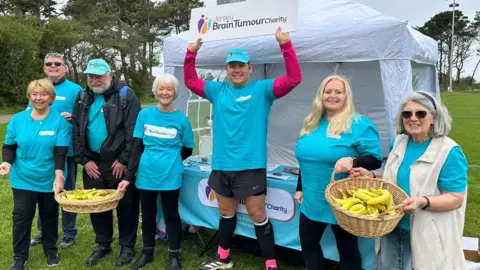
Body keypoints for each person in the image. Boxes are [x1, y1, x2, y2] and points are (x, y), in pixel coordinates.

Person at [185, 27, 302, 270]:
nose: (236, 70)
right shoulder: (217, 90)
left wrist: (286, 46)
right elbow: (190, 81)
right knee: (226, 213)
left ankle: (271, 263)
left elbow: (293, 79)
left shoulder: (262, 90)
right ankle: (223, 258)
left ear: (250, 68)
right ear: (226, 70)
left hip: (250, 166)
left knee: (258, 214)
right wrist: (190, 54)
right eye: (232, 66)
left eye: (241, 66)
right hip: (221, 165)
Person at [349, 91, 468, 270]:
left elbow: (455, 198)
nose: (413, 118)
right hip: (392, 225)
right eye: (407, 114)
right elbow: (400, 177)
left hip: (425, 232)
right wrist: (372, 175)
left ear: (434, 118)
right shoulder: (400, 142)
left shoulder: (449, 151)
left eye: (420, 113)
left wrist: (422, 202)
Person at [294, 75, 383, 270]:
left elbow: (375, 159)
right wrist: (300, 187)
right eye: (328, 91)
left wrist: (353, 161)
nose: (332, 96)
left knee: (347, 248)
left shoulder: (359, 124)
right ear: (321, 95)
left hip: (343, 200)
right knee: (308, 244)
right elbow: (307, 159)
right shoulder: (312, 122)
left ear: (346, 96)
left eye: (338, 92)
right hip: (312, 199)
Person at [118, 73, 194, 270]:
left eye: (169, 89)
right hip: (146, 174)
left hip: (171, 175)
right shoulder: (144, 115)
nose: (165, 92)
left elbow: (187, 149)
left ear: (175, 93)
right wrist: (129, 176)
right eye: (161, 89)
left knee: (171, 214)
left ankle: (174, 255)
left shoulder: (182, 119)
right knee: (149, 213)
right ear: (156, 91)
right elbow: (136, 146)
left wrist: (170, 160)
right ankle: (147, 252)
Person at [72, 59, 141, 267]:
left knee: (126, 206)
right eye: (90, 76)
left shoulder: (126, 95)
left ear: (110, 75)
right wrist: (84, 161)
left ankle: (127, 247)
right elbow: (76, 130)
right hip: (93, 163)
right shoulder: (82, 97)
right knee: (97, 206)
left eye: (99, 76)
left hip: (118, 162)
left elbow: (133, 133)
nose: (94, 80)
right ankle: (103, 244)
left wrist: (124, 160)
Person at [1, 79, 70, 269]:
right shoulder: (18, 119)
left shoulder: (60, 122)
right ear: (29, 97)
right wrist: (7, 162)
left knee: (49, 215)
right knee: (22, 217)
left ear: (51, 97)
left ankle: (50, 250)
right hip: (22, 178)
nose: (39, 98)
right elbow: (9, 146)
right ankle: (20, 257)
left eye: (43, 94)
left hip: (49, 178)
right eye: (35, 94)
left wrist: (58, 175)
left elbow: (60, 151)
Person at [30, 53, 82, 249]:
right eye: (49, 64)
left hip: (66, 151)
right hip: (43, 152)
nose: (53, 66)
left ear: (65, 68)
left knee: (66, 193)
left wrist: (74, 118)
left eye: (57, 64)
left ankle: (69, 233)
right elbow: (30, 115)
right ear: (44, 68)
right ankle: (44, 232)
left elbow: (84, 118)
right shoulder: (38, 88)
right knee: (44, 192)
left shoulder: (75, 90)